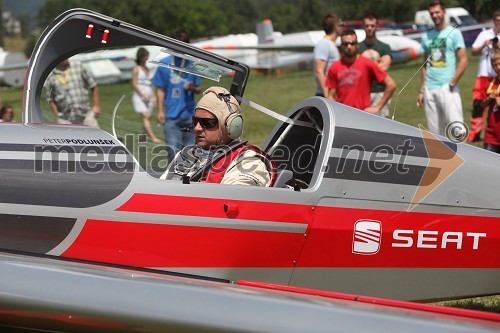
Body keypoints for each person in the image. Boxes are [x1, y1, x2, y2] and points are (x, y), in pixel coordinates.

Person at [162, 86, 275, 186]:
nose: (197, 128)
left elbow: (235, 202)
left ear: (230, 126)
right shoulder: (186, 155)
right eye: (195, 121)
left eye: (207, 123)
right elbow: (160, 189)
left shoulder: (248, 162)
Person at [416, 0, 468, 136]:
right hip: (429, 89)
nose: (435, 16)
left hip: (448, 87)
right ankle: (441, 158)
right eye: (432, 13)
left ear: (444, 12)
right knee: (434, 135)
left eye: (437, 12)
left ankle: (468, 157)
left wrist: (453, 82)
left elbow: (464, 60)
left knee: (458, 131)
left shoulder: (454, 33)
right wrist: (421, 90)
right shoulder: (426, 36)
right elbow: (424, 65)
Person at [153, 28, 202, 158]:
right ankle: (172, 178)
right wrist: (160, 110)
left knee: (190, 153)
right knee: (173, 152)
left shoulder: (192, 64)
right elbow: (160, 89)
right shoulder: (164, 64)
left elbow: (198, 89)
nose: (180, 51)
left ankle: (188, 177)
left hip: (189, 115)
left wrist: (191, 86)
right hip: (171, 116)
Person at [326, 29, 396, 113]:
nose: (349, 47)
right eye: (346, 44)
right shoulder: (334, 67)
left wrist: (378, 107)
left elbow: (391, 85)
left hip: (363, 115)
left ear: (357, 45)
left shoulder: (367, 64)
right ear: (341, 46)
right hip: (342, 116)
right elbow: (331, 96)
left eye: (352, 43)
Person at [468, 10, 500, 142]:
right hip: (484, 74)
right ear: (493, 21)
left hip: (498, 76)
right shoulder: (484, 34)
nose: (499, 23)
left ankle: (494, 132)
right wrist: (484, 44)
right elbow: (473, 52)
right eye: (497, 20)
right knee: (478, 104)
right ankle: (475, 133)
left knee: (496, 106)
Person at [45, 59, 100, 127]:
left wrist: (96, 106)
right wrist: (57, 114)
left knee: (95, 136)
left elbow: (93, 85)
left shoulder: (78, 66)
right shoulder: (50, 75)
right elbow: (50, 99)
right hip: (65, 119)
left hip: (86, 115)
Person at [359, 13, 393, 117]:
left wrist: (364, 67)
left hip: (380, 92)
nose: (369, 28)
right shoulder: (357, 48)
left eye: (372, 25)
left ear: (377, 26)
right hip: (362, 93)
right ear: (363, 26)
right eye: (367, 26)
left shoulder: (384, 47)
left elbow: (384, 67)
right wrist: (377, 64)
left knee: (382, 126)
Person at [132, 47, 161, 143]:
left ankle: (143, 137)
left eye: (147, 55)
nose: (146, 57)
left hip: (149, 94)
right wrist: (142, 94)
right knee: (145, 115)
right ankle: (153, 137)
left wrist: (154, 96)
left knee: (148, 117)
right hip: (140, 95)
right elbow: (134, 83)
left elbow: (151, 84)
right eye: (144, 55)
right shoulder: (137, 69)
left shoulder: (147, 69)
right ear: (140, 56)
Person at [314, 13, 344, 97]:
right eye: (342, 24)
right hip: (325, 94)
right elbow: (319, 71)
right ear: (335, 26)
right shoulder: (323, 44)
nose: (343, 27)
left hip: (333, 93)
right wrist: (327, 96)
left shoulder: (330, 43)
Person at [480, 49, 500, 153]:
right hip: (491, 136)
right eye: (495, 65)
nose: (498, 67)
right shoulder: (491, 82)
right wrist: (489, 98)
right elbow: (482, 105)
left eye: (499, 64)